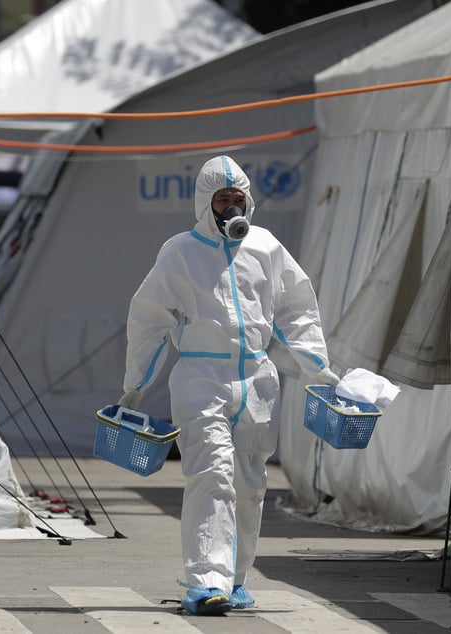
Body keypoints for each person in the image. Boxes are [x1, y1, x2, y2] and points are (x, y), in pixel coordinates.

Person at [118, 155, 338, 616]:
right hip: (202, 379)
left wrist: (318, 365)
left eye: (238, 199)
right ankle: (206, 582)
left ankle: (235, 579)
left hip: (257, 382)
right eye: (222, 199)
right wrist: (135, 383)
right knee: (211, 476)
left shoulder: (267, 247)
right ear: (205, 203)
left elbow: (297, 306)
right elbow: (149, 319)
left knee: (250, 485)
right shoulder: (180, 252)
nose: (231, 208)